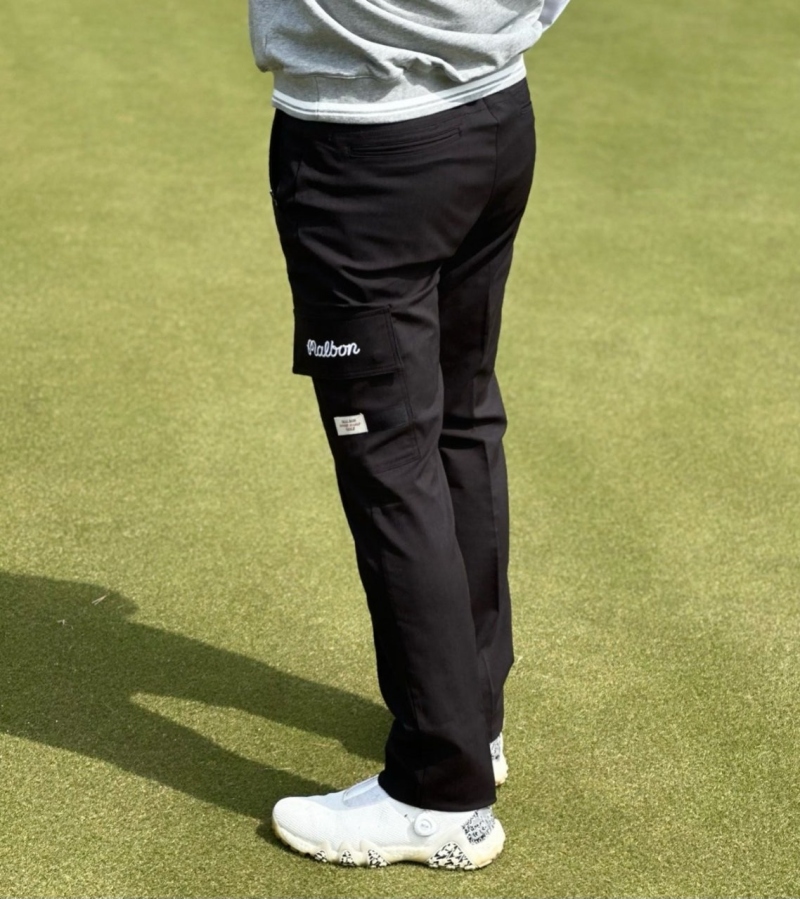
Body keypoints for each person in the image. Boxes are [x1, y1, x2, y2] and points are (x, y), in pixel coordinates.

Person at [249, 0, 571, 870]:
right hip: (495, 115)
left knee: (391, 462)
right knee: (462, 421)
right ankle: (471, 721)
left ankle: (439, 792)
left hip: (368, 151)